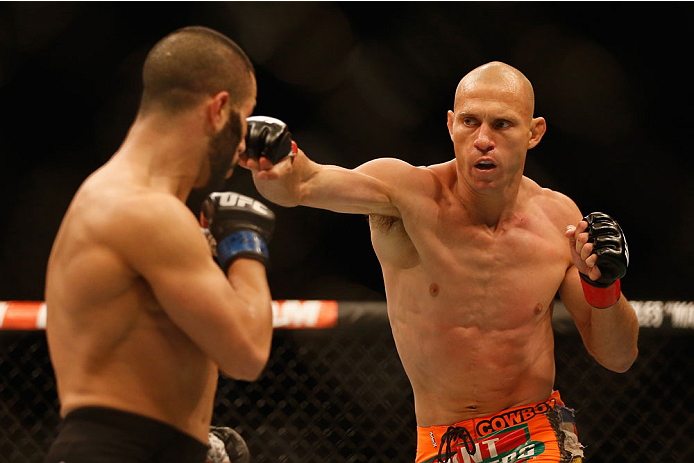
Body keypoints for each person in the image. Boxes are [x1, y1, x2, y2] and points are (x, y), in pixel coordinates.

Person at [240, 61, 639, 462]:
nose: (483, 139)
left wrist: (605, 286)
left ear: (534, 133)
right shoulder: (404, 194)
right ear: (450, 125)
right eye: (470, 122)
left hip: (534, 436)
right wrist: (278, 160)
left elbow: (618, 357)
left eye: (502, 125)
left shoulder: (559, 220)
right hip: (442, 445)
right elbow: (304, 182)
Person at [44, 26, 276, 463]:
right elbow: (247, 353)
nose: (243, 141)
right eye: (244, 120)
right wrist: (247, 246)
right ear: (219, 109)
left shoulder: (123, 200)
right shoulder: (144, 211)